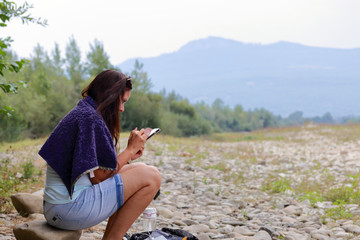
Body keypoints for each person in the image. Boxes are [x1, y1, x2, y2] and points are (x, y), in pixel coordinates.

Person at [38, 69, 161, 240]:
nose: (122, 109)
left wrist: (129, 155)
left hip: (59, 207)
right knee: (152, 177)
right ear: (110, 96)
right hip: (67, 210)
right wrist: (130, 150)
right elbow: (99, 177)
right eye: (122, 101)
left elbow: (97, 173)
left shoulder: (85, 112)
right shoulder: (90, 118)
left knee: (141, 168)